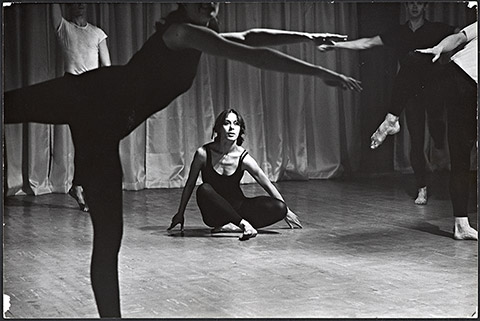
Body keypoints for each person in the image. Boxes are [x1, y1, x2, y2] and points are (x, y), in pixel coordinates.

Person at [4, 3, 361, 317]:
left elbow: (251, 37)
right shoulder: (182, 32)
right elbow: (253, 53)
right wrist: (322, 73)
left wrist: (307, 36)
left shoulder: (199, 34)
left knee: (109, 237)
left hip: (103, 132)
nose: (210, 3)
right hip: (87, 97)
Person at [318, 1, 456, 205]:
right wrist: (335, 45)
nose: (415, 7)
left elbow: (461, 34)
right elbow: (367, 43)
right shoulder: (399, 32)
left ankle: (394, 120)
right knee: (416, 141)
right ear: (406, 7)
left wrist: (444, 49)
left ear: (425, 6)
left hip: (434, 89)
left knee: (437, 132)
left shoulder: (436, 28)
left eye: (419, 3)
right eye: (411, 3)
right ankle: (422, 188)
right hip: (411, 93)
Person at [168, 109, 302, 240]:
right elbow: (190, 184)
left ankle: (233, 224)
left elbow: (266, 184)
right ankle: (242, 224)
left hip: (239, 207)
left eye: (236, 123)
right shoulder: (203, 154)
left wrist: (287, 212)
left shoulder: (244, 158)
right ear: (219, 128)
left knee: (280, 207)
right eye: (227, 123)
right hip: (214, 214)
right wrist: (180, 213)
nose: (232, 128)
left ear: (240, 130)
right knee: (203, 189)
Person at [416, 21, 478, 241]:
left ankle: (461, 224)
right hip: (461, 80)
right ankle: (461, 223)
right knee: (461, 155)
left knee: (463, 156)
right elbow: (460, 38)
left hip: (463, 84)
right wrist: (440, 47)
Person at [51, 3, 111, 211]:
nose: (79, 6)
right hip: (73, 89)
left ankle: (79, 186)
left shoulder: (97, 33)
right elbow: (53, 10)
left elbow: (107, 68)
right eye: (74, 2)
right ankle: (80, 187)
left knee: (91, 144)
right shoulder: (64, 28)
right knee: (84, 141)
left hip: (93, 90)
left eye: (82, 2)